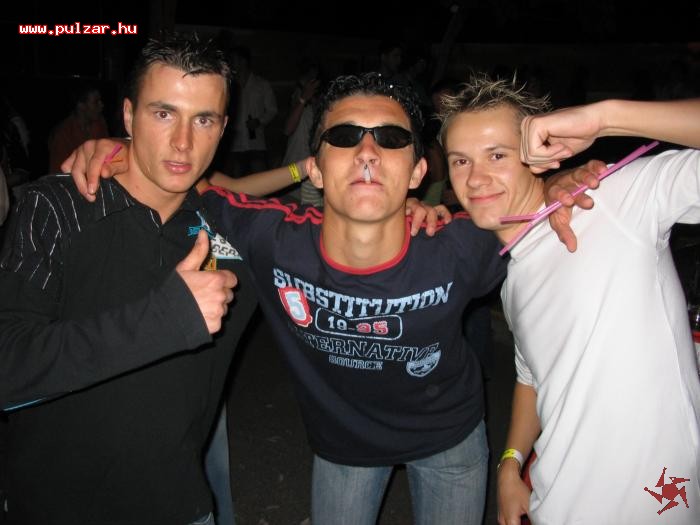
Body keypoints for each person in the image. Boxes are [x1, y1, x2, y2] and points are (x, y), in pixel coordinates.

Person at [66, 72, 584, 524]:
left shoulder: (462, 246)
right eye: (344, 136)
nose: (367, 153)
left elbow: (537, 206)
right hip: (344, 447)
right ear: (314, 168)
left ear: (418, 172)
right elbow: (195, 184)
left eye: (391, 138)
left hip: (450, 441)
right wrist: (123, 146)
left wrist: (562, 180)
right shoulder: (274, 239)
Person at [0, 33, 246, 525]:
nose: (183, 142)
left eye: (203, 120)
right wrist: (164, 319)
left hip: (179, 508)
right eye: (164, 113)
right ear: (129, 117)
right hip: (52, 508)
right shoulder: (56, 207)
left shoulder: (232, 231)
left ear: (222, 128)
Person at [437, 75, 700, 524]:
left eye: (497, 155)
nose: (475, 178)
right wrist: (510, 464)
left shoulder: (611, 202)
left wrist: (605, 118)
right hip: (555, 501)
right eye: (461, 160)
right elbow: (532, 378)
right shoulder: (513, 280)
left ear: (539, 156)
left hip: (654, 502)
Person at [223, 46, 277, 178]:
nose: (231, 63)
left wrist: (259, 121)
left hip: (256, 142)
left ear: (243, 61)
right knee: (236, 182)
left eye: (234, 60)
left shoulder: (262, 84)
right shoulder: (230, 85)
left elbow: (272, 110)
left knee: (262, 181)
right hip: (235, 144)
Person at [48, 81, 109, 173]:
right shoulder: (63, 134)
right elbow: (57, 172)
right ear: (81, 105)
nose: (102, 105)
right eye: (96, 102)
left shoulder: (100, 123)